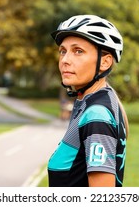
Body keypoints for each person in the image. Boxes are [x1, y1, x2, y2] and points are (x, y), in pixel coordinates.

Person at [48, 14, 129, 187]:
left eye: (78, 51)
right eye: (63, 51)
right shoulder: (92, 103)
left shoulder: (96, 115)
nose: (65, 60)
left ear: (105, 62)